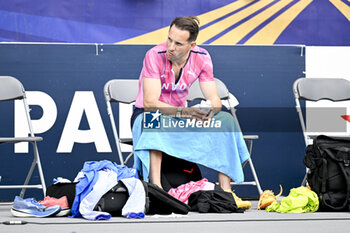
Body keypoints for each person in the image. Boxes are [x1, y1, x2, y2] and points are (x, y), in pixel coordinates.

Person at [130, 16, 251, 209]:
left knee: (226, 119)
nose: (171, 47)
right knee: (152, 118)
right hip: (147, 115)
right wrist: (185, 112)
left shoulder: (202, 57)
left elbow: (215, 100)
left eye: (178, 43)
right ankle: (157, 188)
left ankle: (226, 192)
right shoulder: (153, 55)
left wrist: (209, 111)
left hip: (180, 118)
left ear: (191, 45)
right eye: (169, 39)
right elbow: (150, 103)